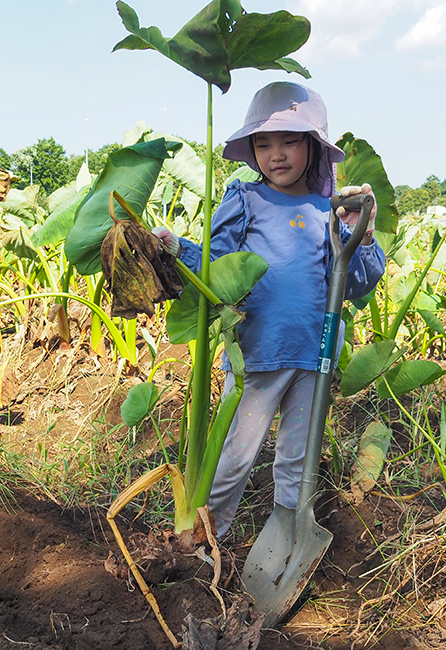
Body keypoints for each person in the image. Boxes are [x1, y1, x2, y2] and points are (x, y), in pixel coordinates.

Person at [153, 81, 387, 539]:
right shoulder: (246, 200)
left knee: (297, 457)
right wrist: (179, 249)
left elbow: (355, 284)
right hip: (256, 356)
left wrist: (364, 235)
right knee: (235, 456)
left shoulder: (331, 210)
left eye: (289, 142)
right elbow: (219, 273)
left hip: (312, 358)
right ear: (252, 151)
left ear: (313, 147)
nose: (275, 154)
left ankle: (286, 539)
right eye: (263, 144)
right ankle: (204, 541)